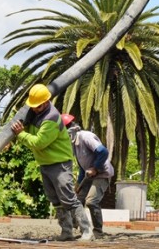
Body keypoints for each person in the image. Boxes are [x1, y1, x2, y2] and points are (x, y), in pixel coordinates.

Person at [10, 84, 93, 241]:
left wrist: (20, 134)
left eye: (38, 106)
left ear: (46, 102)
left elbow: (39, 142)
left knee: (68, 198)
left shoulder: (51, 118)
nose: (35, 109)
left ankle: (87, 231)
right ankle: (67, 232)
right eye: (33, 106)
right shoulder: (34, 113)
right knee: (55, 200)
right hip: (46, 163)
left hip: (60, 164)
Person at [62, 114, 113, 237]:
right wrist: (78, 184)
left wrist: (95, 168)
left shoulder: (86, 137)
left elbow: (103, 152)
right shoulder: (74, 144)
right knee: (76, 200)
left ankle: (98, 231)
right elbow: (82, 167)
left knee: (91, 201)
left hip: (101, 174)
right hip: (89, 175)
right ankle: (80, 228)